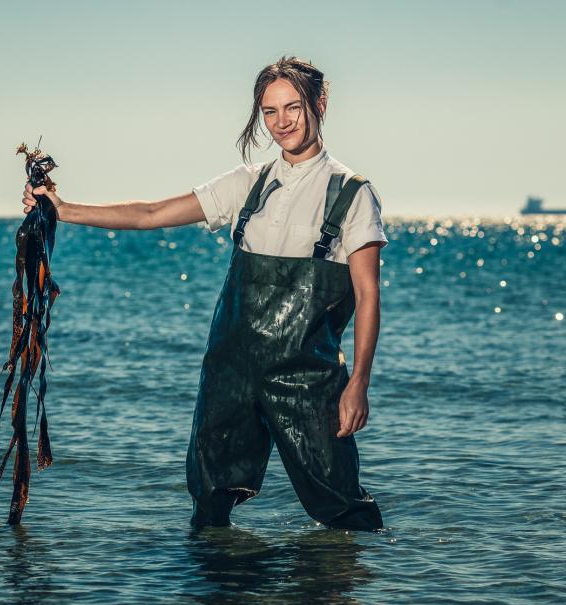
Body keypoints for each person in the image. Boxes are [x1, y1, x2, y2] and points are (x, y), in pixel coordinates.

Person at [20, 55, 387, 532]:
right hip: (229, 372)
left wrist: (358, 383)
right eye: (269, 111)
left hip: (307, 379)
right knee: (210, 502)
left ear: (320, 103)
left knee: (342, 506)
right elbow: (151, 213)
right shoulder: (250, 183)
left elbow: (368, 294)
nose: (282, 122)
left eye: (293, 107)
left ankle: (351, 598)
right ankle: (221, 599)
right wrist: (64, 209)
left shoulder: (351, 192)